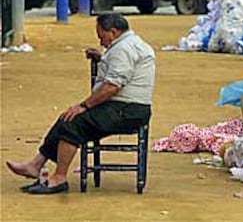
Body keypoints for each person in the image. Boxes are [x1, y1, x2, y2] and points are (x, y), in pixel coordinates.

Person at [6, 13, 155, 194]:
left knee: (73, 122)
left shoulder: (123, 49)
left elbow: (112, 86)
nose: (101, 42)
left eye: (102, 37)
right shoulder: (129, 45)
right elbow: (121, 70)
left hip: (126, 110)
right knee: (66, 117)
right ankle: (35, 165)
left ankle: (59, 178)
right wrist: (102, 60)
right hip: (128, 108)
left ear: (113, 32)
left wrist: (84, 106)